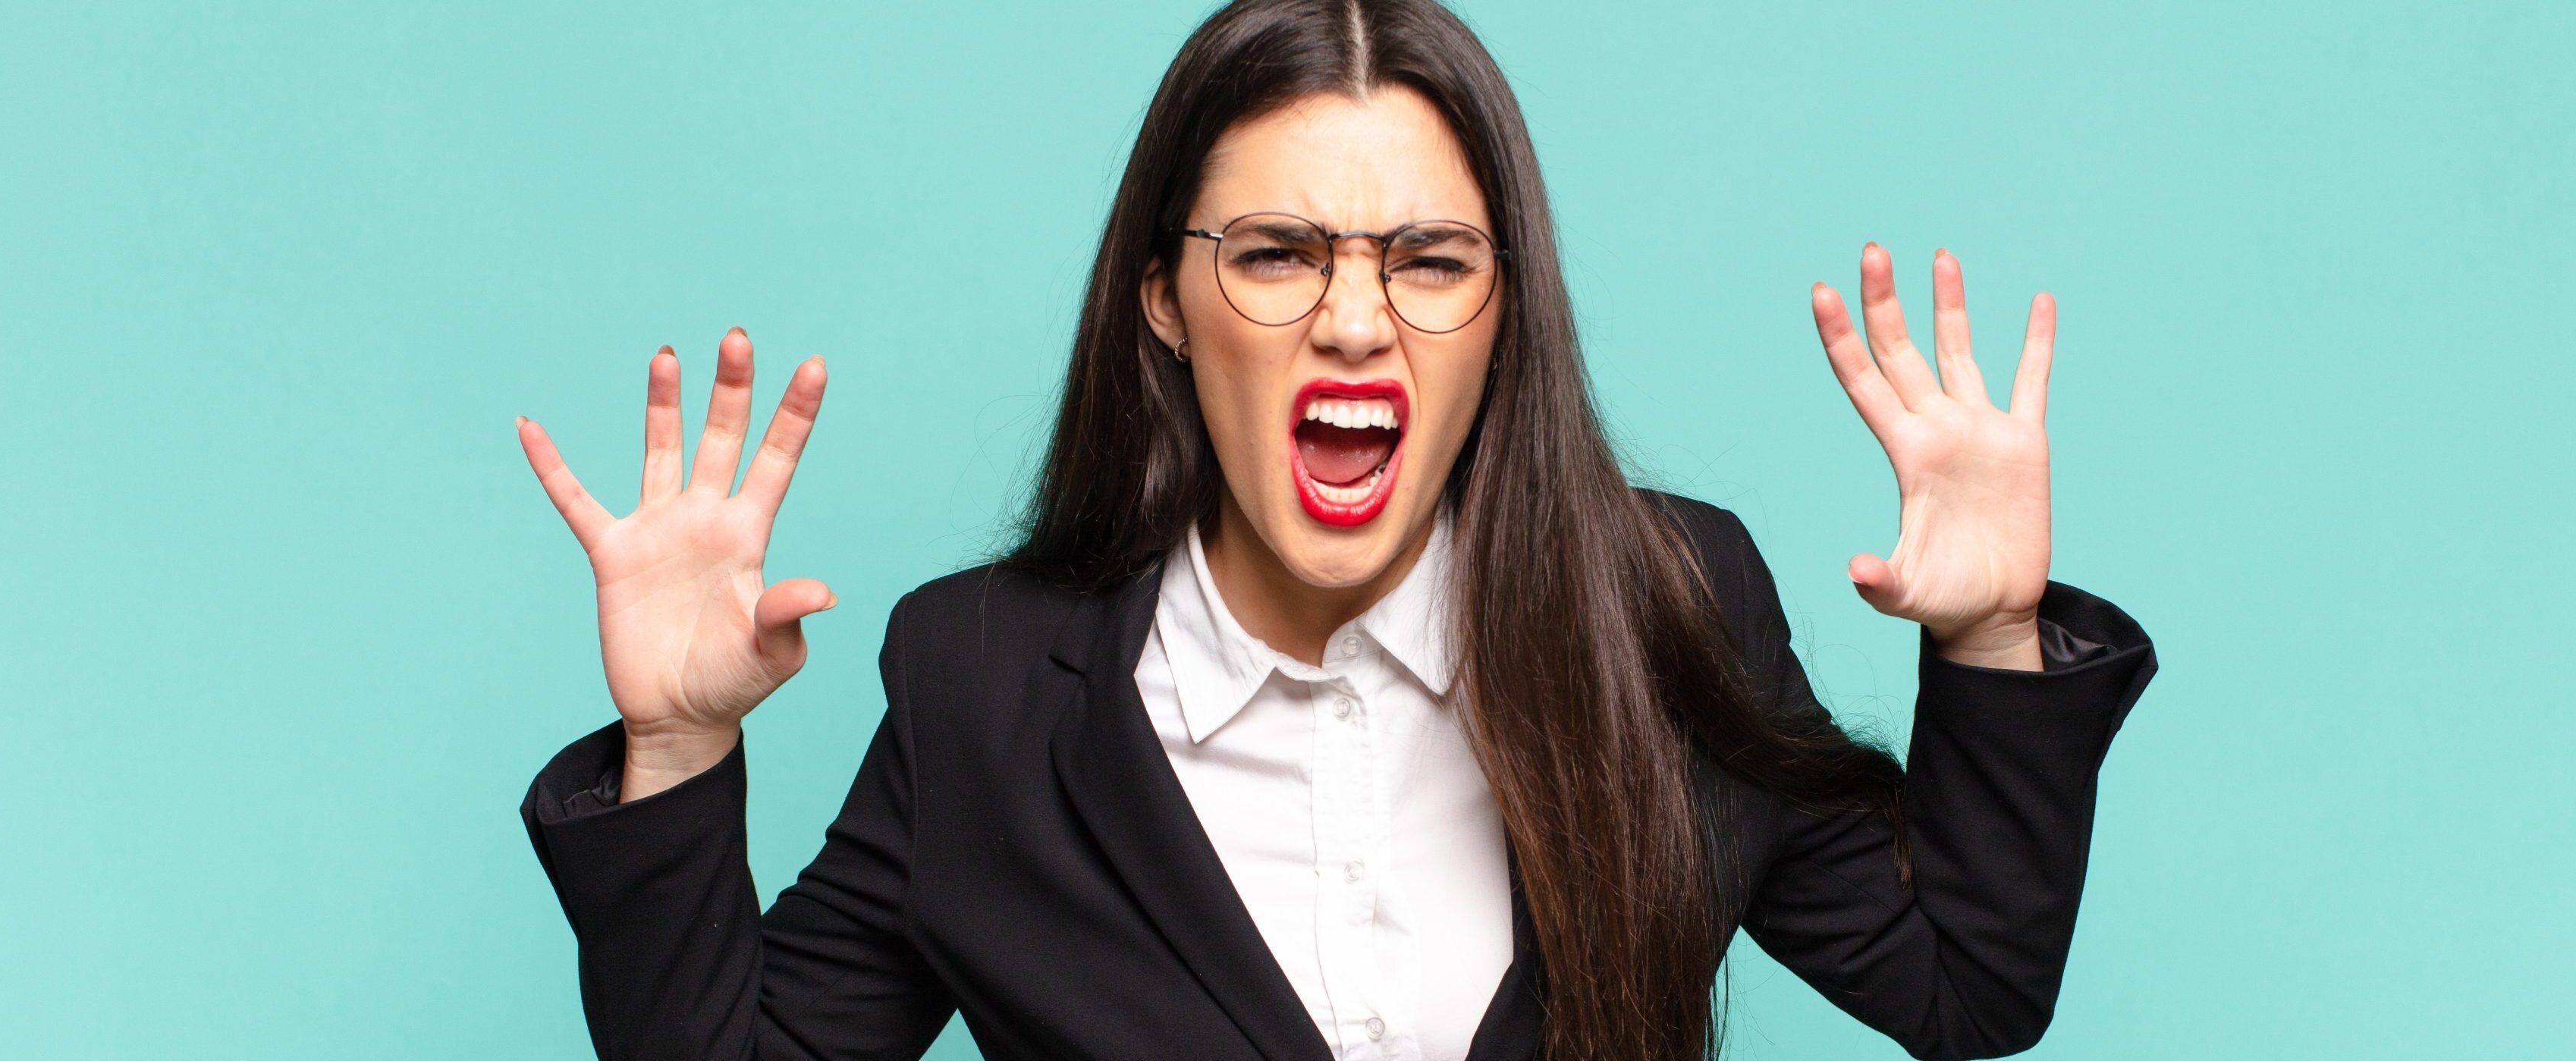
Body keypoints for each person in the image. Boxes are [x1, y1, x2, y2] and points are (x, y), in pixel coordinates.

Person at [512, 2, 2157, 1059]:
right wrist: (675, 748)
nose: (1356, 321)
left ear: (1503, 313)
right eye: (1278, 253)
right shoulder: (985, 680)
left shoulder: (1668, 605)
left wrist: (1989, 638)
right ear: (1164, 299)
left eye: (1429, 260)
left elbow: (1965, 984)